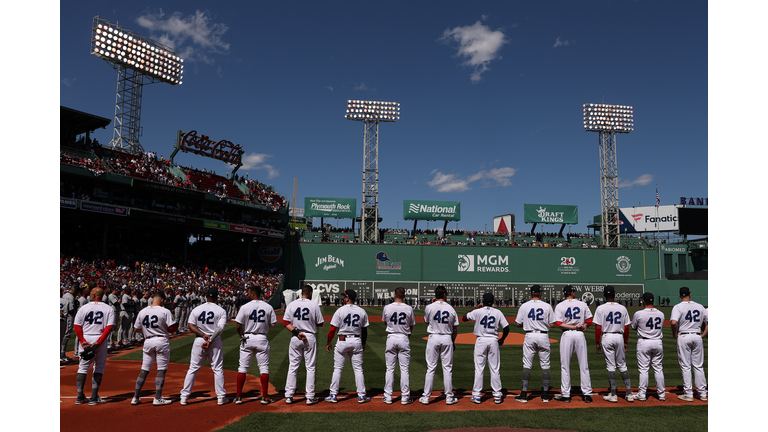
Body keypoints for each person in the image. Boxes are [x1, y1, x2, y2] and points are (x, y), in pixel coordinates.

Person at [180, 287, 230, 406]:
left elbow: (191, 325)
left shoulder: (197, 309)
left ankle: (184, 397)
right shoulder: (220, 310)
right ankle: (221, 397)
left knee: (193, 368)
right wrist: (211, 339)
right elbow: (221, 328)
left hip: (199, 340)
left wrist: (203, 335)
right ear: (217, 297)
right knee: (217, 368)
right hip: (215, 341)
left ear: (206, 296)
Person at [131, 290, 177, 406]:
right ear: (161, 300)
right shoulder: (165, 311)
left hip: (148, 341)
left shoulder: (143, 311)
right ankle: (157, 397)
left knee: (144, 369)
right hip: (161, 340)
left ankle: (135, 397)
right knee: (161, 369)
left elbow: (136, 329)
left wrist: (147, 331)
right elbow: (172, 329)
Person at [462, 292, 509, 404]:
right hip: (493, 341)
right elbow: (506, 328)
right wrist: (502, 339)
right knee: (495, 368)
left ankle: (477, 395)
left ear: (482, 301)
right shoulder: (498, 312)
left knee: (479, 368)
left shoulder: (478, 311)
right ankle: (497, 395)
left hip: (481, 340)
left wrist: (475, 308)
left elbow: (464, 318)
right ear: (493, 302)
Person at [325, 289, 370, 403]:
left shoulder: (340, 310)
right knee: (358, 369)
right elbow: (364, 330)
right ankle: (361, 395)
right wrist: (363, 343)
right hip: (356, 340)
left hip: (342, 341)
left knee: (338, 369)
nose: (343, 298)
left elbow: (332, 329)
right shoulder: (361, 311)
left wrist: (328, 341)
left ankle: (333, 395)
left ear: (348, 298)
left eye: (344, 297)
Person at [234, 285, 277, 405]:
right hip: (261, 337)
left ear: (253, 294)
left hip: (247, 337)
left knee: (242, 368)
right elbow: (273, 324)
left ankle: (238, 397)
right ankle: (265, 397)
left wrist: (241, 335)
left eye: (249, 293)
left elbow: (238, 325)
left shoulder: (245, 307)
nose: (248, 295)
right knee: (264, 368)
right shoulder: (268, 306)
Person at [282, 285, 325, 405]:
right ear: (310, 293)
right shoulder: (314, 305)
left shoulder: (292, 304)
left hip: (296, 336)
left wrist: (296, 332)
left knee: (293, 366)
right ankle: (310, 397)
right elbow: (320, 323)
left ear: (301, 293)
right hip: (309, 336)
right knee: (310, 367)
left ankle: (289, 396)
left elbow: (285, 322)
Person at [73, 287, 115, 405]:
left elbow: (77, 325)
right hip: (99, 338)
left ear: (93, 296)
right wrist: (100, 341)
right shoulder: (108, 308)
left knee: (83, 367)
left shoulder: (83, 308)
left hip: (86, 338)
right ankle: (93, 398)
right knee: (99, 366)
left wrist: (82, 340)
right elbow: (110, 326)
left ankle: (80, 397)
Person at [514, 285, 556, 403]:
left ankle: (523, 394)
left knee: (527, 365)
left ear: (531, 294)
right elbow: (553, 324)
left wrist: (528, 323)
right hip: (543, 336)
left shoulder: (524, 305)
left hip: (530, 335)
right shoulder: (547, 306)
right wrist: (543, 324)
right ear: (540, 293)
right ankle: (546, 395)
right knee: (545, 365)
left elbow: (517, 323)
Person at [419, 286, 459, 405]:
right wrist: (452, 341)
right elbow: (455, 328)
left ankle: (426, 397)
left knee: (431, 368)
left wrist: (432, 304)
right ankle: (449, 397)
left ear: (436, 295)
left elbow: (426, 321)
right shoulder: (451, 308)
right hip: (447, 338)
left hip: (433, 338)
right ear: (445, 295)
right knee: (447, 369)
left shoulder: (429, 307)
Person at [553, 285, 594, 403]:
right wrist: (583, 326)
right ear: (572, 292)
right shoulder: (582, 304)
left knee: (565, 366)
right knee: (584, 365)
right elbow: (590, 321)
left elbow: (559, 323)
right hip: (580, 335)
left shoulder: (560, 305)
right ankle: (587, 394)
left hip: (567, 335)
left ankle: (566, 395)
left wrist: (574, 326)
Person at [593, 286, 633, 403]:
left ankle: (613, 394)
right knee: (622, 365)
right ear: (615, 294)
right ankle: (629, 393)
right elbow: (626, 327)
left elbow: (598, 327)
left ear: (604, 295)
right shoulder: (622, 308)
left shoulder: (600, 308)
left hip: (607, 336)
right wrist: (626, 341)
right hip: (619, 336)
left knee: (611, 366)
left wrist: (597, 342)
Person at [670, 286, 708, 402]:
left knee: (686, 366)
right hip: (697, 336)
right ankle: (702, 393)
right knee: (698, 365)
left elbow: (674, 322)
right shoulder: (700, 306)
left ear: (679, 295)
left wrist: (675, 333)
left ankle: (688, 394)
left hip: (684, 336)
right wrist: (703, 335)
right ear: (690, 294)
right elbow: (708, 323)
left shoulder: (678, 307)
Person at [382, 287, 416, 405]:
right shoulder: (408, 308)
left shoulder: (387, 307)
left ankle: (388, 397)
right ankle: (405, 398)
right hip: (403, 337)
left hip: (391, 337)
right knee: (404, 369)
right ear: (404, 296)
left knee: (390, 369)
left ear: (394, 294)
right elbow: (411, 326)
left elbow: (385, 321)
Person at [631, 292, 666, 401]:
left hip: (644, 342)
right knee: (658, 369)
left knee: (643, 369)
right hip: (657, 341)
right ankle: (662, 394)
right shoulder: (661, 313)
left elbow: (634, 327)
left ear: (644, 301)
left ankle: (642, 394)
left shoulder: (638, 313)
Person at [61, 285, 80, 362]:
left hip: (63, 316)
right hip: (68, 316)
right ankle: (62, 354)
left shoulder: (65, 295)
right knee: (66, 335)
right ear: (75, 291)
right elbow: (71, 310)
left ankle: (61, 353)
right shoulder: (71, 297)